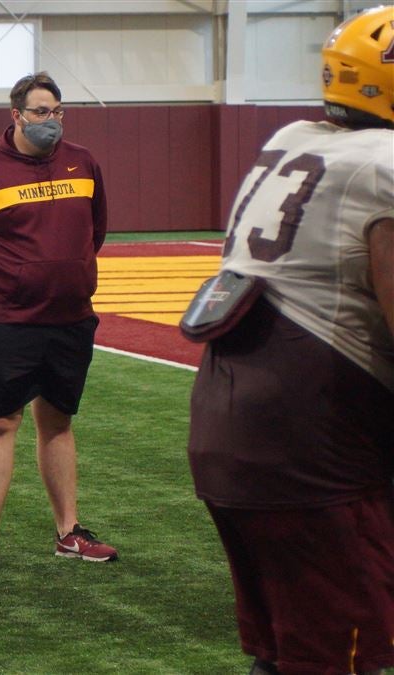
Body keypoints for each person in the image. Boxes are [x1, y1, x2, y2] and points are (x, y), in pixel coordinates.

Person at [187, 8, 394, 674]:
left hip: (232, 424)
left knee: (285, 653)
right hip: (312, 442)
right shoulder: (381, 164)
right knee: (343, 654)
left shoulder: (293, 139)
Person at [0, 71, 117, 572]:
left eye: (58, 112)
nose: (51, 121)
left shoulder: (84, 163)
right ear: (16, 115)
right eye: (41, 112)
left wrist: (69, 275)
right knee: (0, 422)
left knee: (58, 422)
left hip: (70, 319)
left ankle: (69, 532)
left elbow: (95, 229)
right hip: (6, 322)